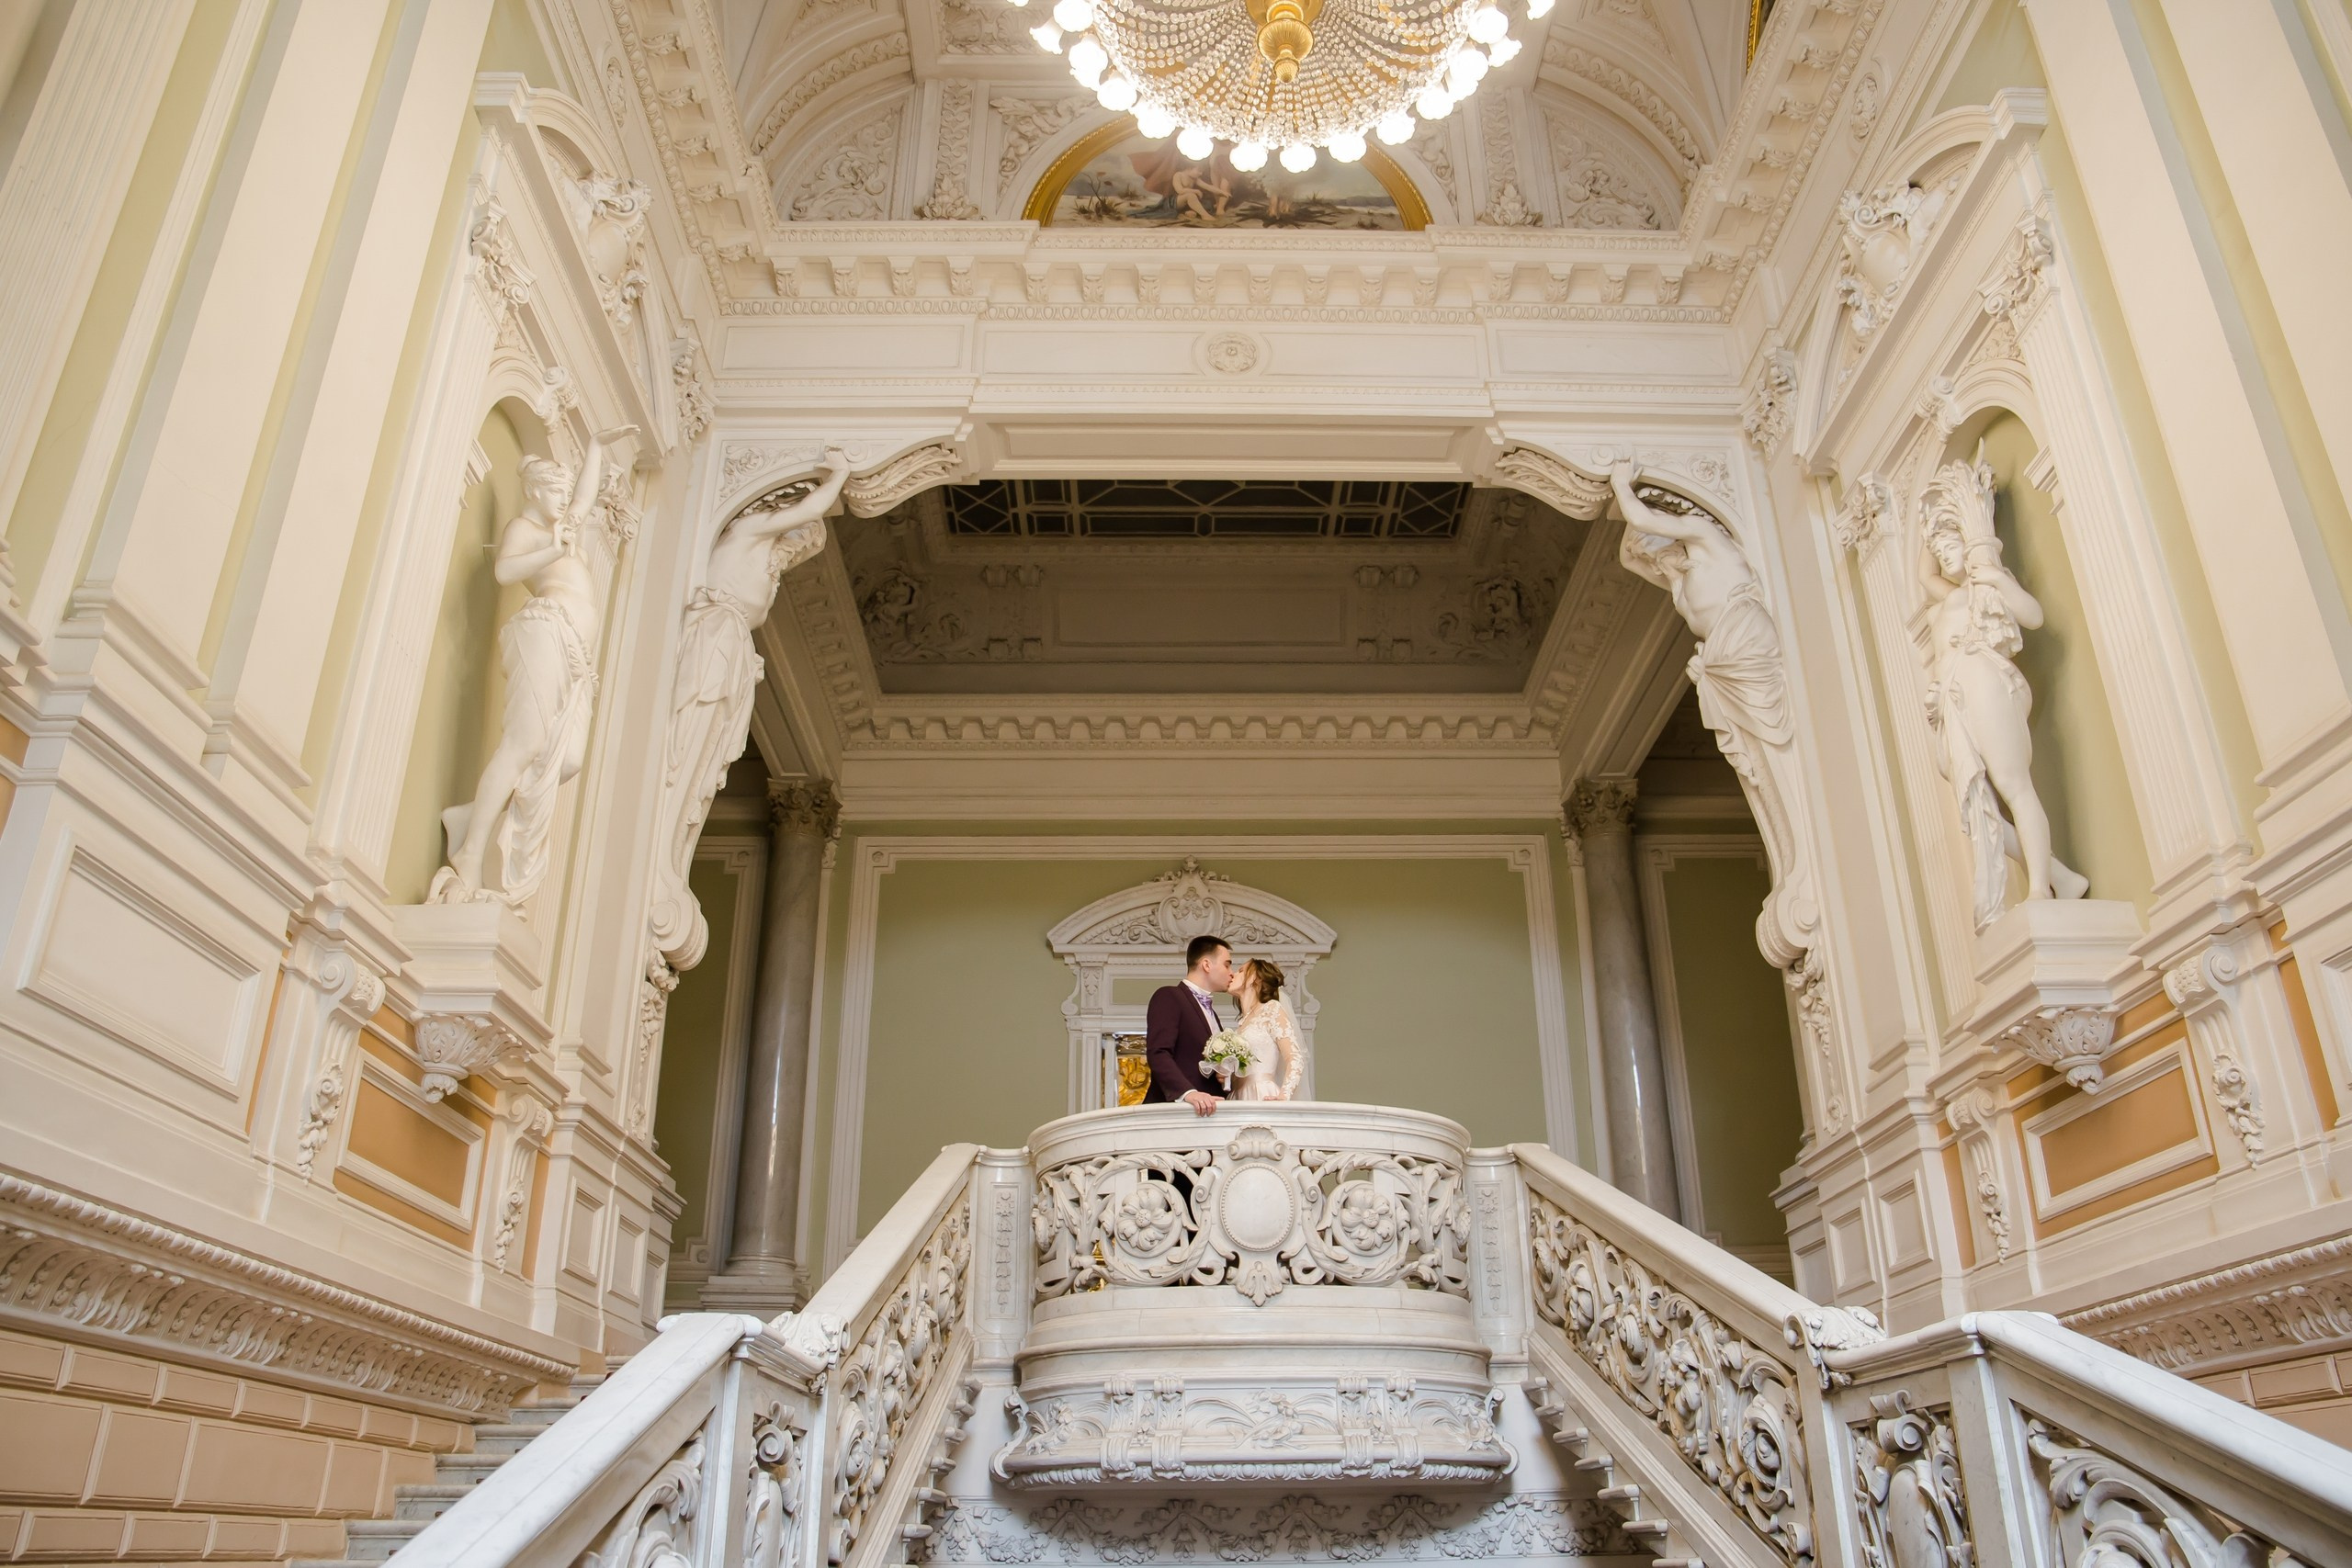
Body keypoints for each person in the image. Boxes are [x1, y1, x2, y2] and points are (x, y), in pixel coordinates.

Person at [1144, 935, 1232, 1117]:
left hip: (1209, 1116)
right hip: (1175, 1114)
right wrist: (1188, 1093)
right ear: (1206, 965)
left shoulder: (1212, 1014)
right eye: (1227, 964)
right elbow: (1158, 1052)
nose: (1231, 972)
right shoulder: (1169, 996)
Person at [1221, 958, 1306, 1102]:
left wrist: (1284, 1095)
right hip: (1238, 1097)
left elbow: (1295, 1057)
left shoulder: (1271, 1009)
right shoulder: (1242, 1023)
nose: (1233, 974)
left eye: (1241, 971)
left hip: (1261, 1094)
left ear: (1256, 978)